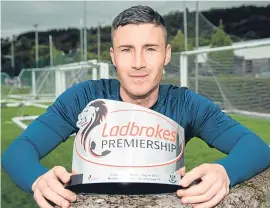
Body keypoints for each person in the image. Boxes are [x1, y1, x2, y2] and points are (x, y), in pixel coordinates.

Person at [2, 5, 270, 208]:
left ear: (166, 54)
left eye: (150, 49)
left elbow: (256, 147)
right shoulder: (84, 98)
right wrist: (37, 179)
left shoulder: (186, 103)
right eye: (127, 49)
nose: (138, 62)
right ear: (113, 56)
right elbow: (18, 152)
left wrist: (225, 172)